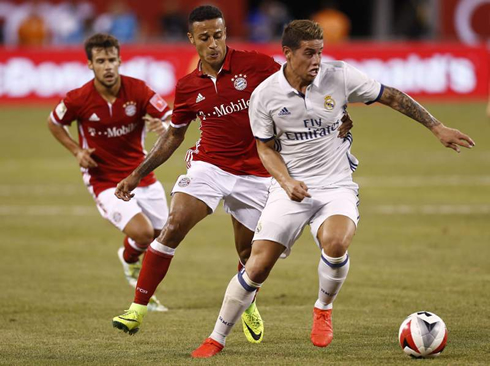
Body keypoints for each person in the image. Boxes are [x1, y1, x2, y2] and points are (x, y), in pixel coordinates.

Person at [191, 19, 475, 358]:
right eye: (308, 54)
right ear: (288, 54)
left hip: (336, 184)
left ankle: (323, 307)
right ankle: (216, 337)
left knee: (336, 242)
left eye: (320, 53)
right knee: (257, 266)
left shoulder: (339, 76)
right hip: (289, 189)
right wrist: (285, 181)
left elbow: (391, 96)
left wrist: (436, 126)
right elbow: (265, 148)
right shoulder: (265, 95)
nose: (316, 61)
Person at [111, 5, 354, 342]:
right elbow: (173, 135)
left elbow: (301, 81)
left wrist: (336, 113)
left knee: (248, 255)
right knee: (174, 224)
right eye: (205, 37)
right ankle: (136, 309)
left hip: (257, 174)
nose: (213, 43)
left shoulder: (255, 65)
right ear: (191, 39)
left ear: (225, 33)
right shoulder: (187, 86)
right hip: (210, 165)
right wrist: (137, 173)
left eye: (219, 35)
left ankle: (246, 304)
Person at [47, 33, 171, 312]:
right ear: (90, 64)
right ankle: (134, 271)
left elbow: (168, 115)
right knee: (142, 233)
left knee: (162, 234)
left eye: (112, 60)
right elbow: (54, 123)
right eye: (100, 61)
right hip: (103, 179)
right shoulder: (78, 98)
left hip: (141, 174)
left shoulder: (138, 90)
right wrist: (76, 151)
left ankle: (128, 256)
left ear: (120, 60)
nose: (108, 66)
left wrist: (164, 126)